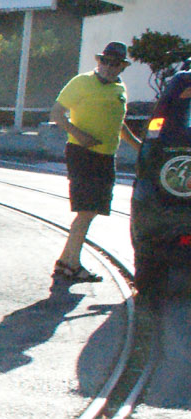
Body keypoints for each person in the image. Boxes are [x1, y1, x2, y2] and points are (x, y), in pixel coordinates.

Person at [51, 42, 144, 283]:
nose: (108, 67)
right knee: (86, 211)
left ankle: (65, 261)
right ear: (99, 61)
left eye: (115, 63)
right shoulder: (81, 82)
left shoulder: (119, 89)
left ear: (122, 67)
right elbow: (56, 114)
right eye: (105, 61)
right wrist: (79, 135)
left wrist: (139, 146)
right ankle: (72, 265)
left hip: (106, 157)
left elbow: (119, 123)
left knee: (90, 211)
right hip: (82, 154)